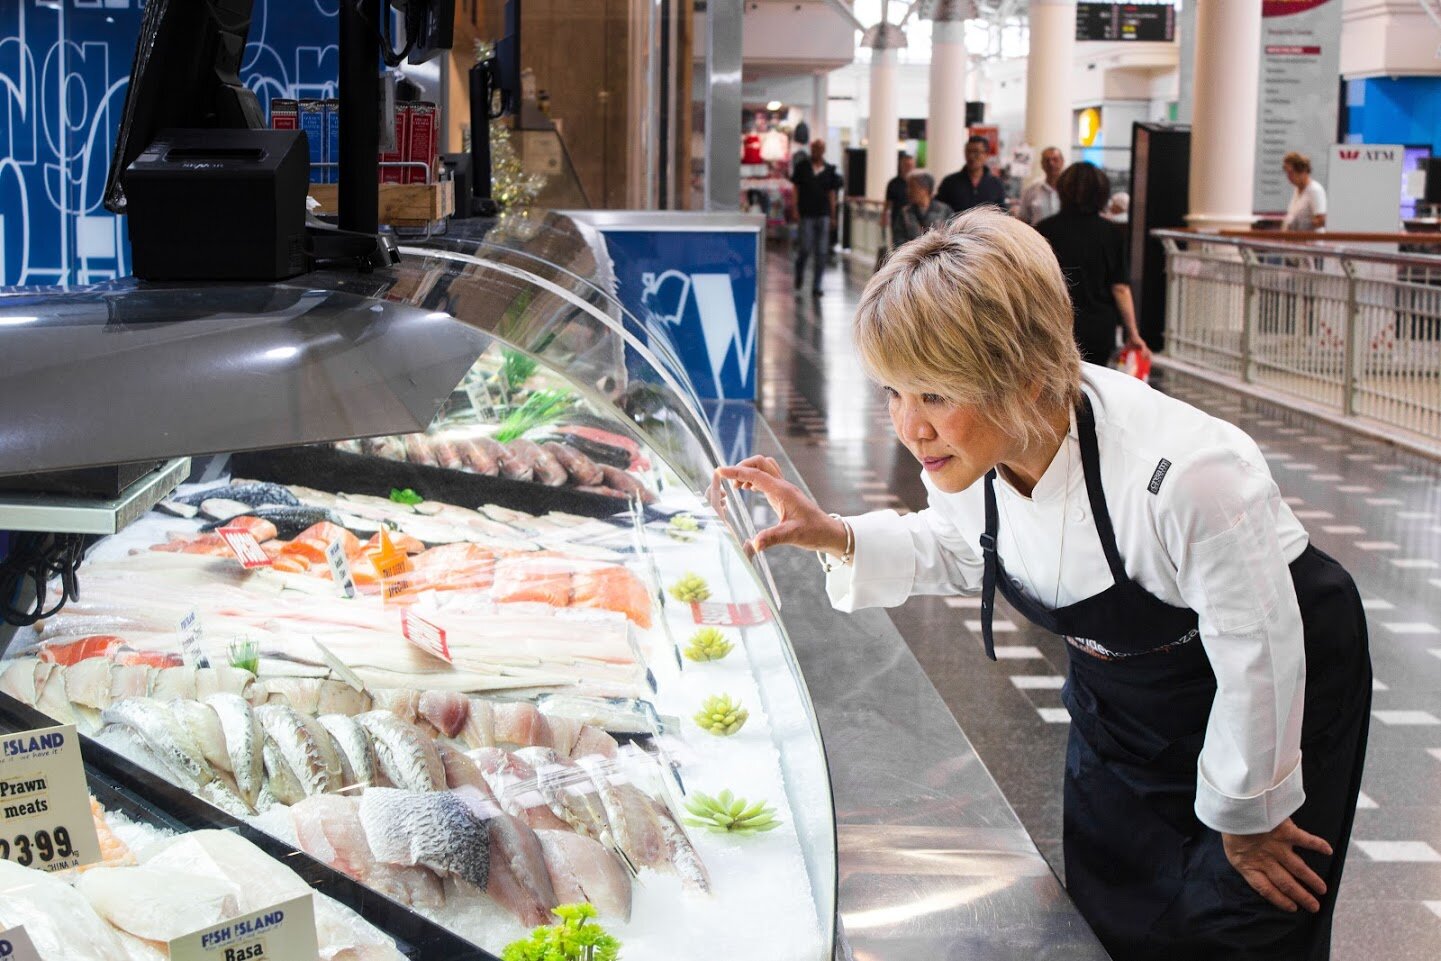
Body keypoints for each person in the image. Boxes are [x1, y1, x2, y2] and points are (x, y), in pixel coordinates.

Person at [714, 208, 1371, 961]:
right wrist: (839, 531)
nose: (908, 426)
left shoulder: (1188, 476)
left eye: (933, 394)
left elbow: (1259, 649)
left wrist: (1250, 813)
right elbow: (972, 548)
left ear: (1023, 380)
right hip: (1122, 686)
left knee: (1237, 915)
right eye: (893, 392)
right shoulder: (970, 451)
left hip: (1278, 675)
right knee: (1108, 901)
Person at [1035, 162, 1149, 367]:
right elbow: (1120, 288)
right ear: (1102, 194)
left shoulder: (1044, 230)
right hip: (1099, 326)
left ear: (1063, 190)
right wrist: (1133, 333)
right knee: (1093, 387)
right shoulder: (1111, 233)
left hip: (1055, 323)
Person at [790, 138, 843, 297]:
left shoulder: (829, 170)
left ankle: (817, 285)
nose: (817, 151)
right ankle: (799, 272)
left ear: (824, 150)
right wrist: (794, 208)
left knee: (821, 252)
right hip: (806, 213)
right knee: (805, 248)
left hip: (823, 214)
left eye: (820, 148)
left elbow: (832, 194)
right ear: (811, 149)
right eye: (814, 148)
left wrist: (833, 216)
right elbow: (795, 189)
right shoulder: (802, 167)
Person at [936, 135, 1007, 214]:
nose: (971, 156)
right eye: (968, 151)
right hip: (958, 226)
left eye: (976, 152)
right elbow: (938, 211)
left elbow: (1002, 214)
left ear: (986, 155)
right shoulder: (950, 182)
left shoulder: (996, 184)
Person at [894, 170, 953, 245]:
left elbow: (952, 236)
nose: (908, 191)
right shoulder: (905, 213)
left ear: (925, 189)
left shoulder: (944, 210)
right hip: (912, 255)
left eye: (912, 187)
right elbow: (898, 240)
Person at [1016, 146, 1064, 225]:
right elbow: (1023, 219)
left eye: (1055, 159)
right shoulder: (1030, 190)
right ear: (1042, 164)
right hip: (1037, 236)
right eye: (1047, 160)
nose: (1051, 163)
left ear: (1062, 162)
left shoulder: (1071, 190)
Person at [1281, 152, 1327, 231]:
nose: (1288, 177)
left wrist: (1302, 224)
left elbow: (1322, 220)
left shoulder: (1315, 190)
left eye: (1291, 173)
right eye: (1287, 173)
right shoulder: (1297, 189)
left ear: (1303, 171)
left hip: (1310, 241)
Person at [883, 153, 917, 251]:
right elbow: (888, 202)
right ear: (901, 166)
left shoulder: (917, 183)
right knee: (898, 247)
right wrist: (884, 216)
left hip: (914, 220)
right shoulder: (893, 183)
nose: (908, 168)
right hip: (897, 220)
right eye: (906, 165)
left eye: (911, 165)